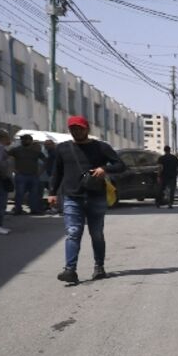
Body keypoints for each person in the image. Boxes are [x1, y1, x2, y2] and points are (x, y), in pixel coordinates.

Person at [48, 115, 126, 284]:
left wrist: (103, 168)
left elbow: (120, 165)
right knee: (73, 232)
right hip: (71, 197)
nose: (76, 131)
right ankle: (70, 270)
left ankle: (99, 267)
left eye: (79, 128)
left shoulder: (101, 147)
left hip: (96, 196)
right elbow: (57, 172)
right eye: (73, 129)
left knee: (96, 234)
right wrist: (52, 192)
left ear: (87, 129)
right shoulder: (63, 148)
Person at [8, 134, 43, 215]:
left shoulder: (35, 151)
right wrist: (12, 169)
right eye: (24, 139)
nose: (26, 141)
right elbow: (7, 157)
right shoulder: (16, 150)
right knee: (19, 193)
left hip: (33, 175)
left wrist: (41, 171)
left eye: (28, 139)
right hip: (21, 175)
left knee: (34, 194)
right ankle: (18, 209)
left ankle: (34, 209)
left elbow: (45, 160)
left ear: (31, 141)